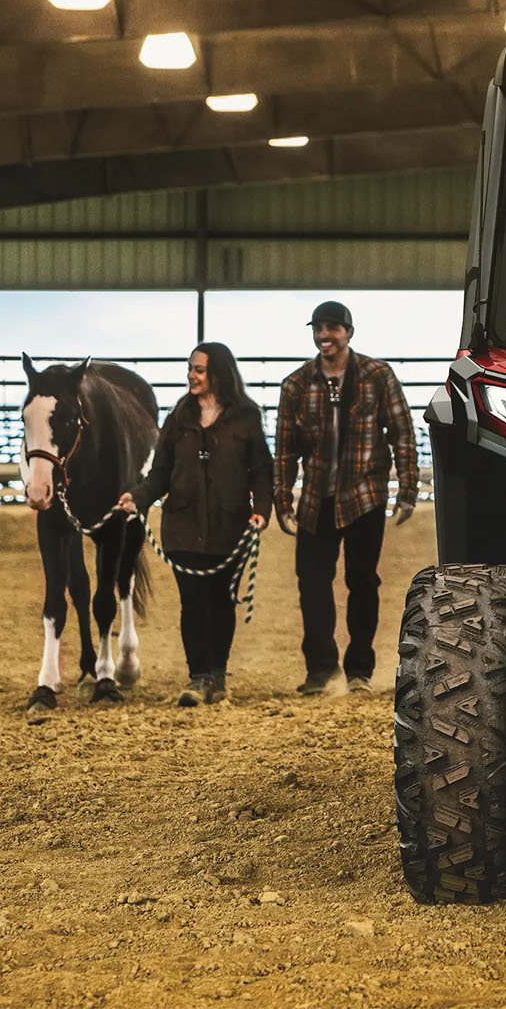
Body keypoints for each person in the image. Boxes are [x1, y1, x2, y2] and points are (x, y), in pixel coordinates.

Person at [275, 300, 418, 695]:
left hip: (364, 495)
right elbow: (285, 447)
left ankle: (359, 671)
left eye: (333, 328)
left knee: (363, 582)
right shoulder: (296, 384)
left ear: (348, 333)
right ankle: (321, 670)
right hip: (316, 497)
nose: (325, 336)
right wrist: (282, 498)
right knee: (312, 582)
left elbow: (402, 432)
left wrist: (407, 490)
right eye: (319, 328)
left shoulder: (377, 375)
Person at [117, 342, 272, 707]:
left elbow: (261, 469)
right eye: (190, 368)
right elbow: (160, 473)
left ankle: (218, 674)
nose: (192, 375)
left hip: (230, 527)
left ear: (218, 372)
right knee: (193, 603)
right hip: (183, 528)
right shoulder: (179, 417)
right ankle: (198, 677)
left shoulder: (246, 416)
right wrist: (137, 498)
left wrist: (261, 509)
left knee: (222, 601)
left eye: (199, 369)